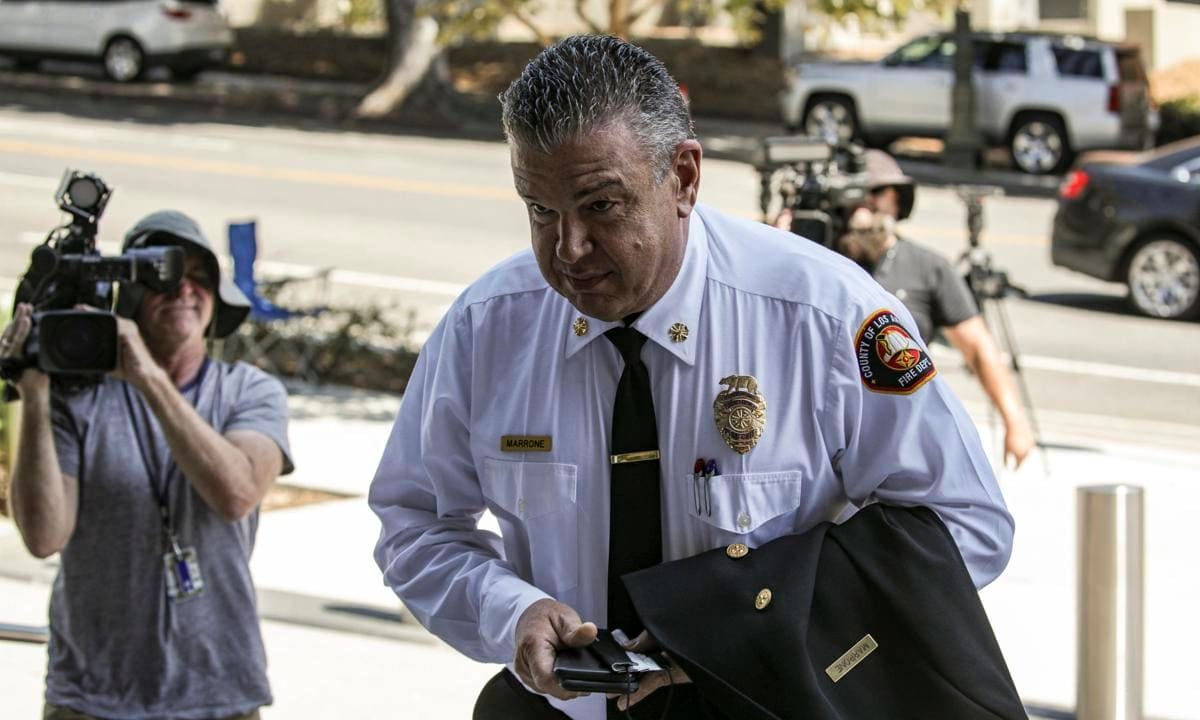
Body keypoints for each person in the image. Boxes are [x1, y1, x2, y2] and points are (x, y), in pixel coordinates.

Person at [370, 35, 1015, 720]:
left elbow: (965, 528)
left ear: (683, 178)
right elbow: (415, 524)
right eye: (540, 211)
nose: (569, 250)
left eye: (601, 206)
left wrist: (738, 623)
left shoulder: (823, 317)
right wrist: (511, 610)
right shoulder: (488, 328)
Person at [0, 210, 294, 720]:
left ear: (217, 299)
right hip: (91, 696)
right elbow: (44, 535)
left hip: (218, 692)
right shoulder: (82, 399)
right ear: (131, 299)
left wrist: (145, 377)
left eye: (200, 278)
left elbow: (236, 493)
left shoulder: (249, 391)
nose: (184, 291)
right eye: (166, 281)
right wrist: (33, 391)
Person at [777, 150, 1035, 469]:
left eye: (877, 193)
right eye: (858, 193)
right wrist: (781, 240)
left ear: (896, 201)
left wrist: (1014, 421)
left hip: (896, 440)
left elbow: (978, 347)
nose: (866, 204)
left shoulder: (928, 268)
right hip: (815, 436)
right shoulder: (814, 260)